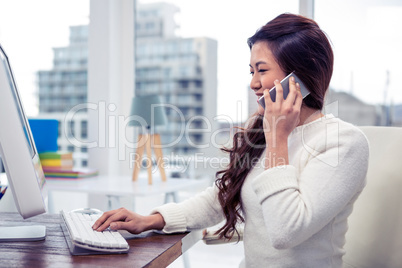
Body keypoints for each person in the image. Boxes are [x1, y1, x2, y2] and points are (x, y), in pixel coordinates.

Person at [93, 13, 369, 267]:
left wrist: (277, 139)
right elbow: (220, 198)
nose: (253, 83)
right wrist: (152, 219)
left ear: (299, 77)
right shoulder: (263, 130)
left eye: (262, 70)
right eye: (252, 72)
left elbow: (286, 231)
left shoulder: (343, 143)